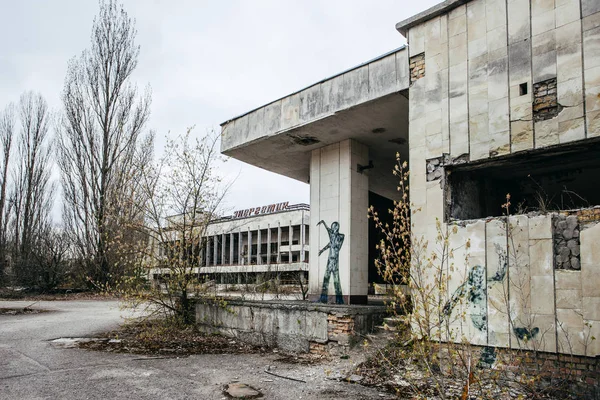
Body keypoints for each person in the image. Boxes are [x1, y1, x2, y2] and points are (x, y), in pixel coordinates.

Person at [317, 220, 344, 304]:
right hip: (330, 260)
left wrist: (324, 223)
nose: (332, 230)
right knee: (326, 279)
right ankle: (323, 298)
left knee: (336, 281)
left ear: (336, 228)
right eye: (331, 228)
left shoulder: (341, 236)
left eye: (333, 228)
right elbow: (330, 244)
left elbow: (336, 245)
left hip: (335, 260)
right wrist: (322, 250)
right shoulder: (333, 237)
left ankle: (339, 300)